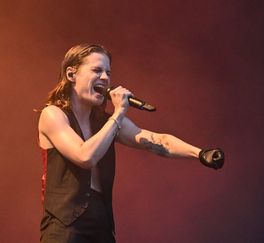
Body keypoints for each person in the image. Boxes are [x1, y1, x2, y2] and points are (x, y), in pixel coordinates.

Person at [37, 43, 224, 243]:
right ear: (71, 74)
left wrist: (200, 153)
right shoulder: (53, 115)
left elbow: (157, 141)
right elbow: (85, 156)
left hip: (101, 223)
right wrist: (118, 113)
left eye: (108, 72)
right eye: (97, 70)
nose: (105, 78)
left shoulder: (104, 122)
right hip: (65, 225)